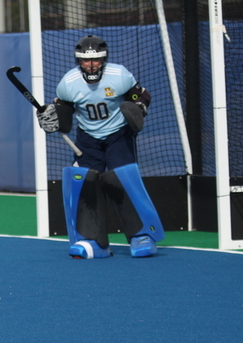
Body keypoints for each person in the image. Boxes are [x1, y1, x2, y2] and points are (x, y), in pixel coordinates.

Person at [36, 34, 164, 259]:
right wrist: (51, 119)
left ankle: (142, 236)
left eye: (96, 59)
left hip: (118, 135)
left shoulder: (119, 75)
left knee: (123, 181)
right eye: (86, 60)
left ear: (104, 58)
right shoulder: (68, 83)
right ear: (79, 61)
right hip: (88, 139)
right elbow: (64, 111)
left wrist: (139, 108)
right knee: (85, 183)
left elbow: (141, 96)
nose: (91, 64)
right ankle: (92, 240)